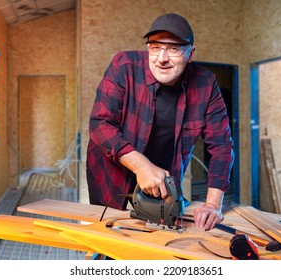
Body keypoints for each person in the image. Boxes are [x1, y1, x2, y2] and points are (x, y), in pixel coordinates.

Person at [86, 13, 234, 230]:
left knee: (156, 235)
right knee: (107, 237)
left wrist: (212, 204)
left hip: (161, 180)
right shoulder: (124, 66)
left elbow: (221, 146)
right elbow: (100, 123)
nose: (162, 58)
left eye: (173, 49)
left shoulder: (206, 84)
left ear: (190, 53)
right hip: (110, 174)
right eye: (155, 47)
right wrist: (142, 165)